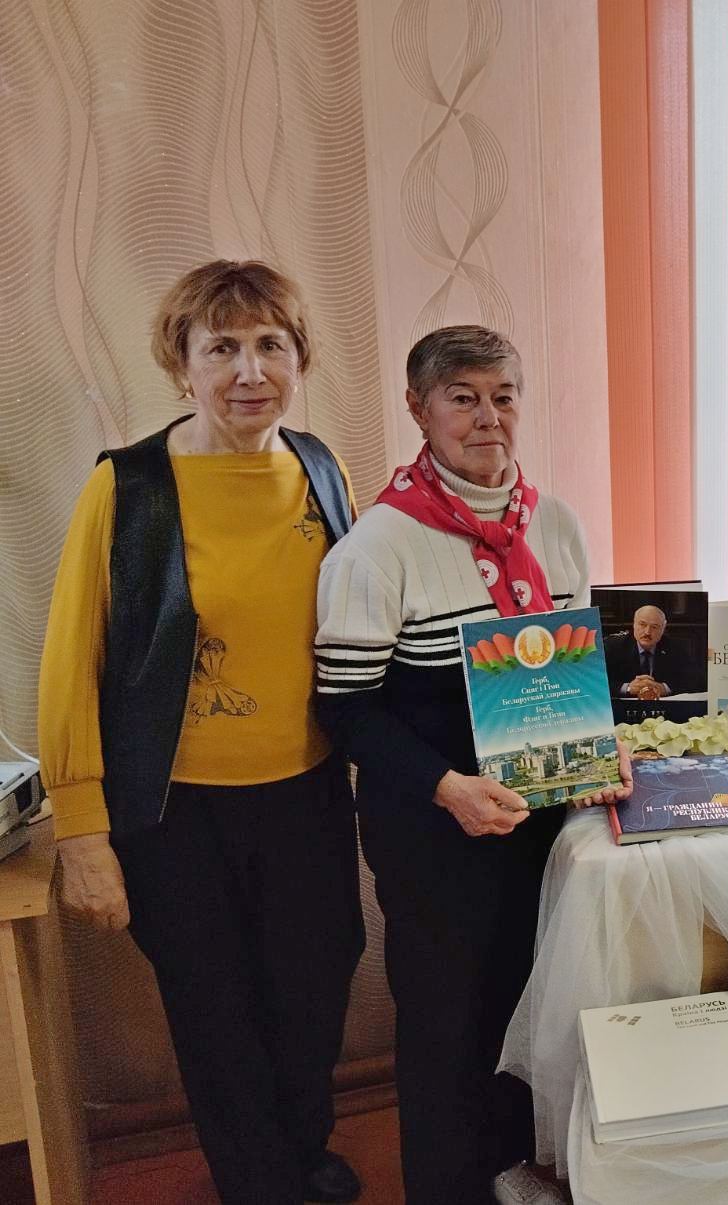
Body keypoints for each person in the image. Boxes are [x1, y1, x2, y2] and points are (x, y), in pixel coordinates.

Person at [38, 261, 364, 1204]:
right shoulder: (127, 487)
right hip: (174, 812)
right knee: (216, 1015)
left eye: (271, 345)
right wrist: (82, 832)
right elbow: (73, 660)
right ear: (182, 366)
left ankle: (300, 1150)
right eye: (222, 347)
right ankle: (262, 1184)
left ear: (299, 358)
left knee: (315, 989)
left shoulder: (320, 466)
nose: (249, 370)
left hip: (306, 793)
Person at [314, 325, 631, 1205]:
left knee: (529, 1007)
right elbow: (343, 709)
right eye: (463, 398)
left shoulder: (553, 523)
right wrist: (447, 788)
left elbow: (573, 669)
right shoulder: (377, 547)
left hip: (537, 825)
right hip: (435, 832)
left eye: (503, 396)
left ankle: (513, 1173)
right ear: (419, 410)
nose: (488, 416)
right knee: (446, 1027)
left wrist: (602, 743)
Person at [603, 604, 692, 699]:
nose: (647, 632)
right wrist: (628, 688)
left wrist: (664, 688)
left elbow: (693, 680)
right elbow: (596, 683)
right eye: (642, 625)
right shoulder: (612, 646)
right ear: (634, 624)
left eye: (654, 627)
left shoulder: (675, 648)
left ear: (663, 628)